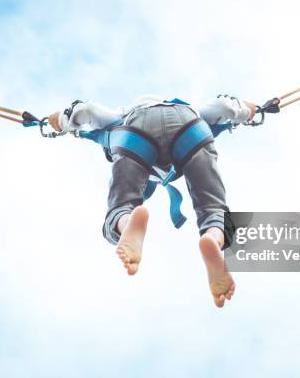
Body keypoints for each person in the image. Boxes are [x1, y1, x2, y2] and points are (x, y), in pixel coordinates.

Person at [49, 95, 256, 307]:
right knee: (214, 210)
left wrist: (61, 121)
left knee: (122, 206)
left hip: (135, 135)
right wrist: (248, 111)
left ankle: (126, 223)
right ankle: (213, 238)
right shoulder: (192, 109)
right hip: (190, 128)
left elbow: (86, 110)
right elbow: (223, 106)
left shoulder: (121, 114)